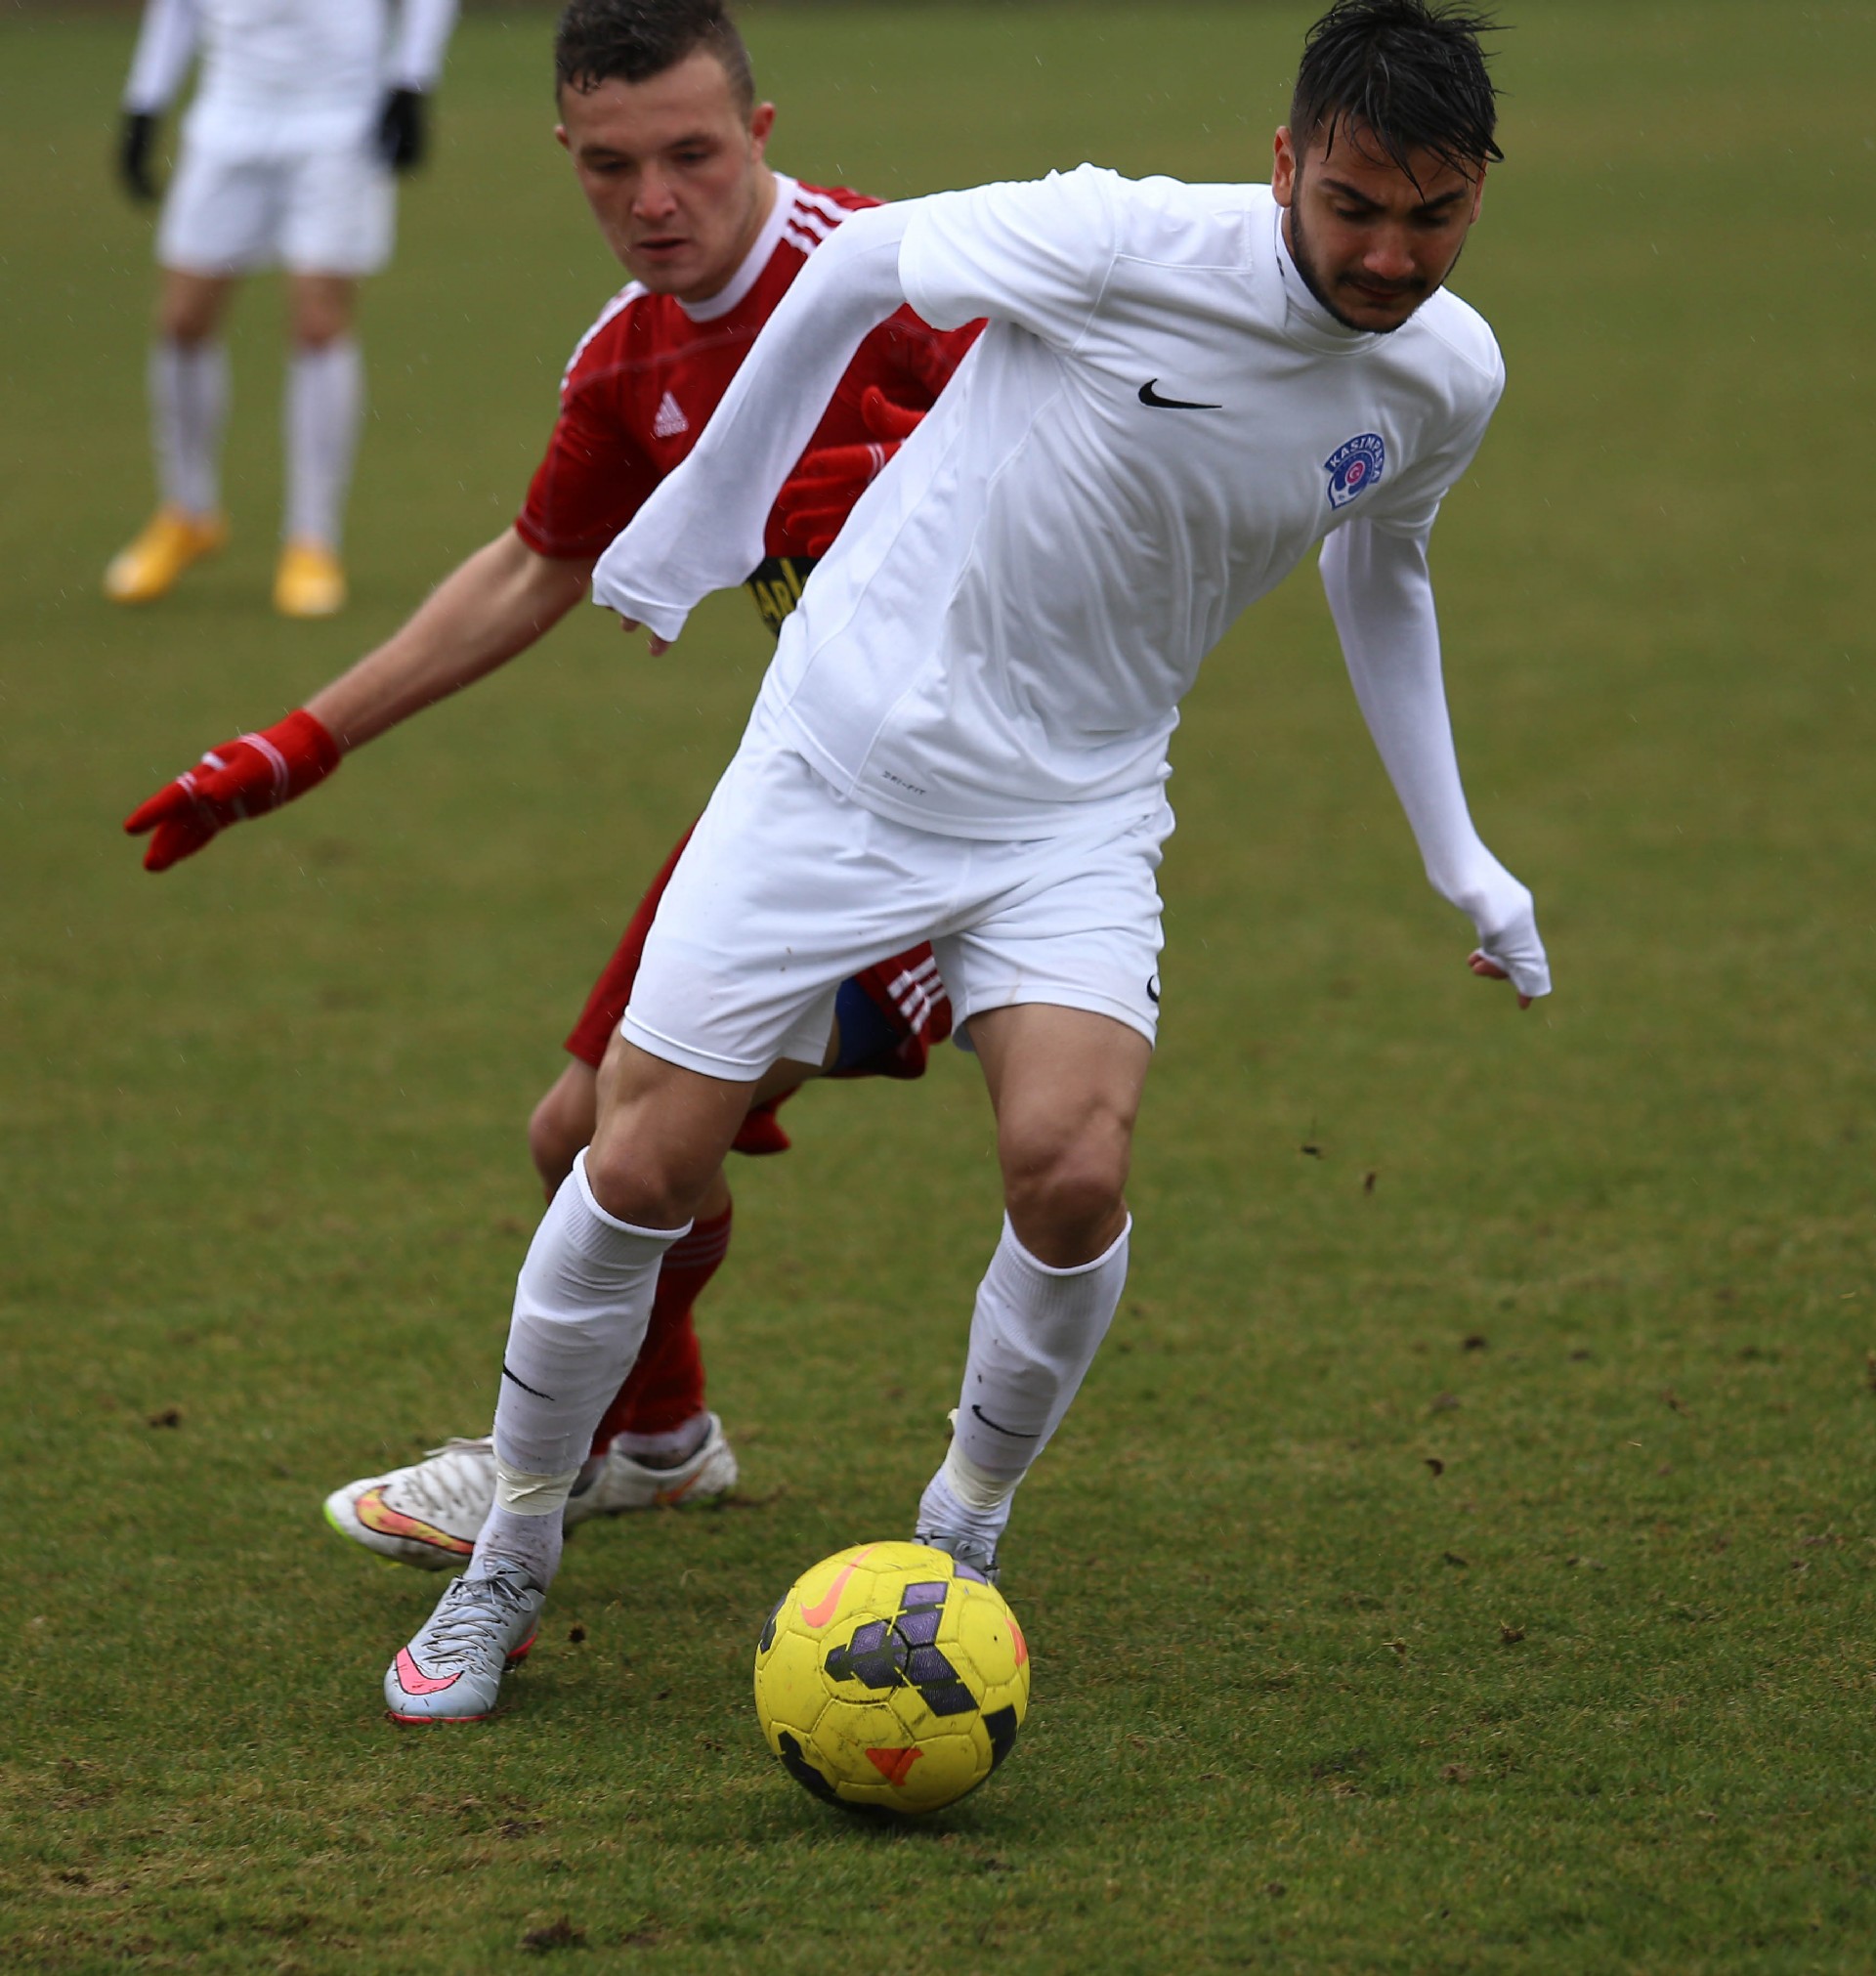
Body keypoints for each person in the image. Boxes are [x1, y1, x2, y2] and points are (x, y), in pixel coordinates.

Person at [367, 0, 1555, 1726]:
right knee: (636, 1163)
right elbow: (857, 269)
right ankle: (512, 1552)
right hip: (834, 764)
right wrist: (707, 513)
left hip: (1073, 808)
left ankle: (962, 1531)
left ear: (1478, 194)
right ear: (1284, 164)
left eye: (1433, 217)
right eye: (1353, 205)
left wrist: (1462, 854)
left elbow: (1385, 562)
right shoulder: (1120, 237)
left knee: (1073, 1172)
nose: (1388, 254)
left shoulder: (1450, 376)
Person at [121, 0, 975, 1571]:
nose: (654, 202)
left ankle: (548, 1461)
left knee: (654, 1138)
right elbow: (535, 566)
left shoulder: (895, 275)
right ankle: (661, 1438)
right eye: (610, 167)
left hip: (987, 808)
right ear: (566, 155)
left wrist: (914, 478)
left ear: (760, 133)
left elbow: (1099, 438)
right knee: (576, 1132)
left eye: (692, 156)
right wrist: (294, 745)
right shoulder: (630, 356)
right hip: (812, 785)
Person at [106, 0, 459, 618]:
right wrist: (145, 101)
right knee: (182, 320)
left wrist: (412, 81)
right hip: (228, 116)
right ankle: (188, 512)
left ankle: (312, 541)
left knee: (319, 323)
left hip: (339, 121)